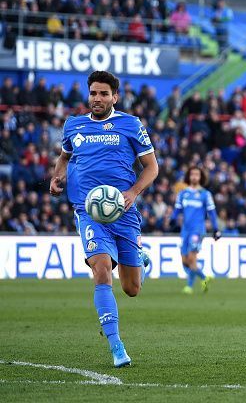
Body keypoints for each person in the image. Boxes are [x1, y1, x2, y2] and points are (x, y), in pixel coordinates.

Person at [50, 70, 159, 368]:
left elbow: (151, 168)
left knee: (131, 289)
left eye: (103, 94)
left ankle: (140, 259)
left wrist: (134, 192)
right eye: (93, 93)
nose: (97, 99)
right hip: (89, 212)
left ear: (115, 97)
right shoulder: (74, 125)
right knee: (101, 270)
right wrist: (58, 176)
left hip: (123, 213)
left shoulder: (130, 124)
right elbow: (65, 156)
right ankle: (117, 346)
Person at [172, 166, 221, 294]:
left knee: (192, 258)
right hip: (185, 230)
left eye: (197, 174)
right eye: (192, 174)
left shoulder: (205, 194)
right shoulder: (183, 194)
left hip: (197, 230)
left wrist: (216, 229)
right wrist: (173, 218)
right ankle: (204, 278)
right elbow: (177, 209)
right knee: (185, 261)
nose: (194, 176)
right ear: (189, 176)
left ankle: (189, 286)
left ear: (200, 177)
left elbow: (212, 212)